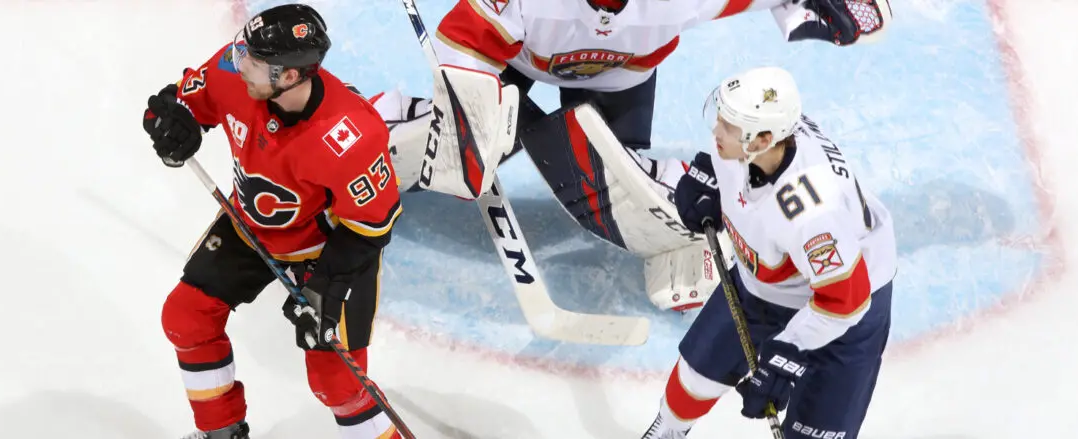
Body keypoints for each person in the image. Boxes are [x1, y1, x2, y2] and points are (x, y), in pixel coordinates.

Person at [371, 0, 893, 313]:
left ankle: (692, 217)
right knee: (454, 151)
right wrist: (471, 114)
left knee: (618, 190)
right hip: (515, 59)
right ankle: (358, 149)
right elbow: (462, 40)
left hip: (621, 83)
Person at [141, 4, 403, 439]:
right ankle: (221, 433)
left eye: (256, 61)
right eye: (244, 49)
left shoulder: (351, 134)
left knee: (335, 384)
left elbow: (371, 227)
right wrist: (170, 126)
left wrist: (324, 288)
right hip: (251, 228)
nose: (239, 61)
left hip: (328, 251)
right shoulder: (234, 71)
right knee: (187, 317)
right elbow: (175, 103)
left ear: (291, 76)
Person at [641, 66, 896, 439]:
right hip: (767, 279)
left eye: (727, 126)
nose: (716, 132)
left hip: (846, 308)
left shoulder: (812, 214)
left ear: (761, 140)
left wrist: (787, 352)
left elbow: (846, 300)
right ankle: (667, 432)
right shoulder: (758, 134)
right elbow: (724, 165)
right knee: (694, 376)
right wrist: (708, 181)